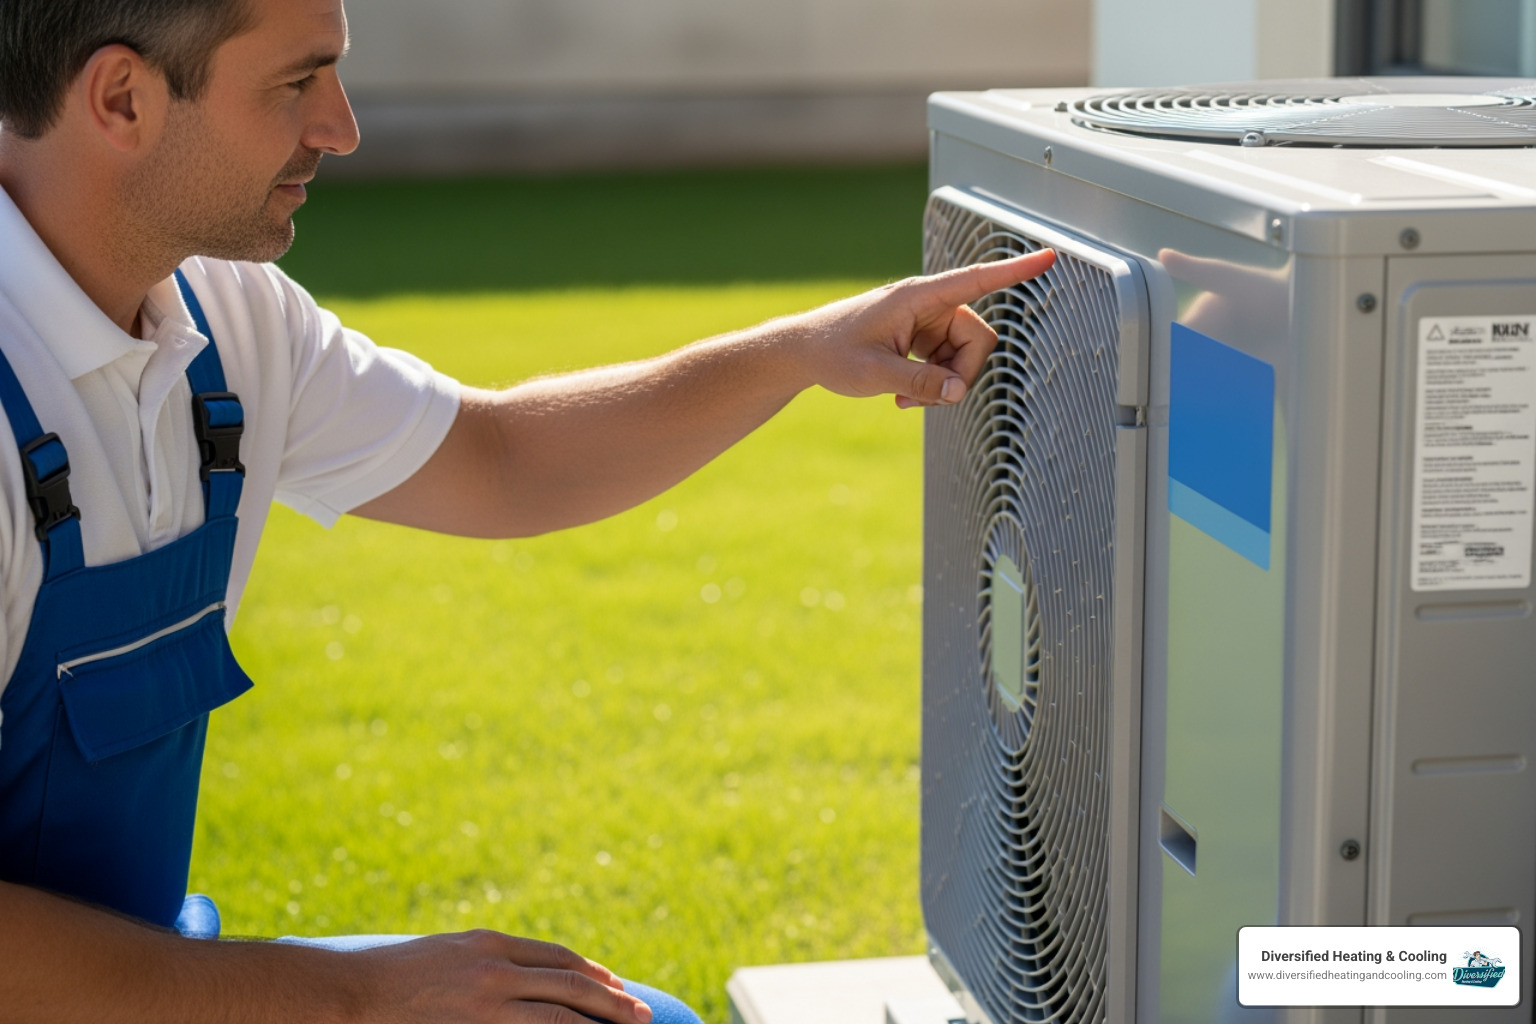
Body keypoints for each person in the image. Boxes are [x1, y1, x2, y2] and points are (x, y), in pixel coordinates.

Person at [0, 0, 1056, 1020]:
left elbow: (502, 458)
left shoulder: (225, 319)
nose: (343, 127)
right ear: (124, 100)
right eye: (296, 81)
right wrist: (357, 999)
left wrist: (806, 349)